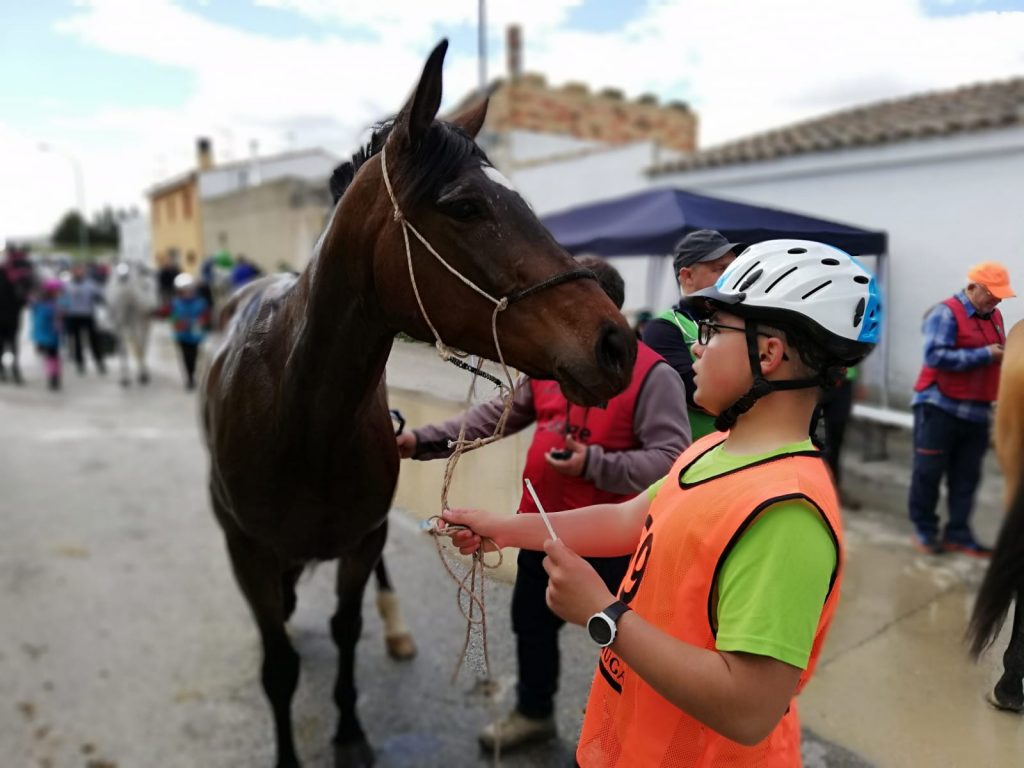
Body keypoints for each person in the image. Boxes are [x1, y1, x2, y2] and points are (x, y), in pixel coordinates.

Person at [442, 240, 881, 766]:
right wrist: (508, 528)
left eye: (713, 330)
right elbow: (629, 519)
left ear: (768, 354)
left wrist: (602, 614)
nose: (696, 346)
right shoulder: (715, 448)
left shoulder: (785, 512)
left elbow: (748, 709)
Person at [398, 256, 690, 751]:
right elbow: (497, 414)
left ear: (608, 315)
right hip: (543, 531)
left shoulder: (653, 375)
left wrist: (593, 464)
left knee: (624, 643)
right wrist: (422, 441)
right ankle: (535, 715)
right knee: (530, 627)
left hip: (616, 544)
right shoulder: (551, 366)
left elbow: (672, 461)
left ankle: (630, 732)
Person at [909, 261, 1015, 557]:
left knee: (966, 477)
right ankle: (925, 531)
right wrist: (985, 355)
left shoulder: (995, 317)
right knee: (928, 473)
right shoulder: (946, 313)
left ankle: (958, 533)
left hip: (977, 410)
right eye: (992, 293)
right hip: (939, 406)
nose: (997, 300)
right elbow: (935, 356)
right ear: (972, 287)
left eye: (1000, 295)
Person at [643, 229, 744, 440]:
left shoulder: (743, 320)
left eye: (734, 267)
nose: (732, 275)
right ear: (687, 276)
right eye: (721, 269)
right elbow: (694, 394)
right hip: (697, 457)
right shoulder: (663, 328)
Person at [60, 264, 106, 375]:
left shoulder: (90, 284)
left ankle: (99, 362)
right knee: (76, 341)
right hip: (73, 316)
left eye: (80, 271)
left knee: (93, 340)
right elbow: (62, 300)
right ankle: (80, 363)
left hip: (87, 315)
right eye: (76, 271)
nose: (78, 273)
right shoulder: (67, 285)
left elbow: (100, 295)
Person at [0, 247, 35, 384]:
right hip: (9, 314)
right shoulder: (15, 274)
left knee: (10, 343)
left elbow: (25, 293)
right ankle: (9, 370)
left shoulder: (17, 274)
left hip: (12, 314)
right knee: (7, 343)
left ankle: (11, 369)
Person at [169, 273, 210, 390]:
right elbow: (173, 317)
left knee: (194, 356)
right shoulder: (176, 303)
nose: (186, 294)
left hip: (195, 335)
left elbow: (205, 316)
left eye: (188, 291)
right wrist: (177, 323)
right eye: (184, 291)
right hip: (182, 335)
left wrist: (202, 321)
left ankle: (192, 373)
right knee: (186, 357)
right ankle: (189, 378)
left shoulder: (201, 302)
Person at [32, 278, 64, 391]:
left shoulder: (43, 303)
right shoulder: (48, 305)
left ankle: (54, 377)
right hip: (49, 336)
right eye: (57, 290)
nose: (59, 292)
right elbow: (41, 322)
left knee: (52, 357)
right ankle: (53, 378)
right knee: (52, 357)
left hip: (51, 336)